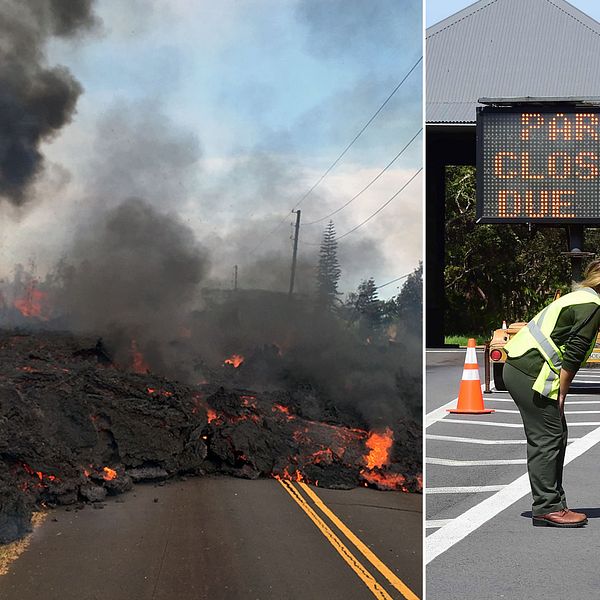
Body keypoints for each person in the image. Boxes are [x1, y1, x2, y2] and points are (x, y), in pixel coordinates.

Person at [504, 259, 600, 528]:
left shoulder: (580, 298)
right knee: (547, 436)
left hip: (521, 366)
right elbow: (575, 351)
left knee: (555, 433)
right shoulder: (592, 305)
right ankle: (547, 507)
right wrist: (563, 392)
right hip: (531, 371)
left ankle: (553, 502)